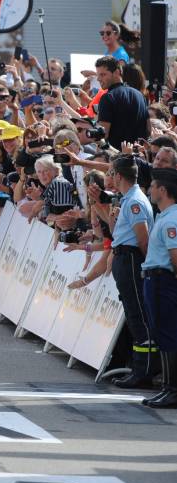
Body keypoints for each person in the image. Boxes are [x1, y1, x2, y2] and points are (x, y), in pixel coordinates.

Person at [105, 155, 157, 388]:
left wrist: (145, 267)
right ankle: (140, 368)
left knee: (138, 317)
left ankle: (144, 371)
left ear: (118, 175)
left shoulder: (135, 201)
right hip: (124, 258)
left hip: (132, 261)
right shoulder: (128, 199)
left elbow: (143, 240)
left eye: (111, 173)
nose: (109, 177)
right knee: (133, 314)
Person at [141, 168, 177, 408]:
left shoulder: (172, 220)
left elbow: (175, 257)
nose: (150, 190)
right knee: (161, 334)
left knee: (168, 335)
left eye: (153, 186)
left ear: (162, 190)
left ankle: (173, 389)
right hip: (155, 280)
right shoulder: (164, 216)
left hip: (163, 281)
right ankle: (168, 386)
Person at [95, 56, 150, 150]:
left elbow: (102, 135)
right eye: (98, 75)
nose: (98, 79)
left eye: (103, 74)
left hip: (117, 159)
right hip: (139, 156)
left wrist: (98, 158)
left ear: (117, 72)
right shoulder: (139, 95)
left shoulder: (108, 97)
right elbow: (148, 129)